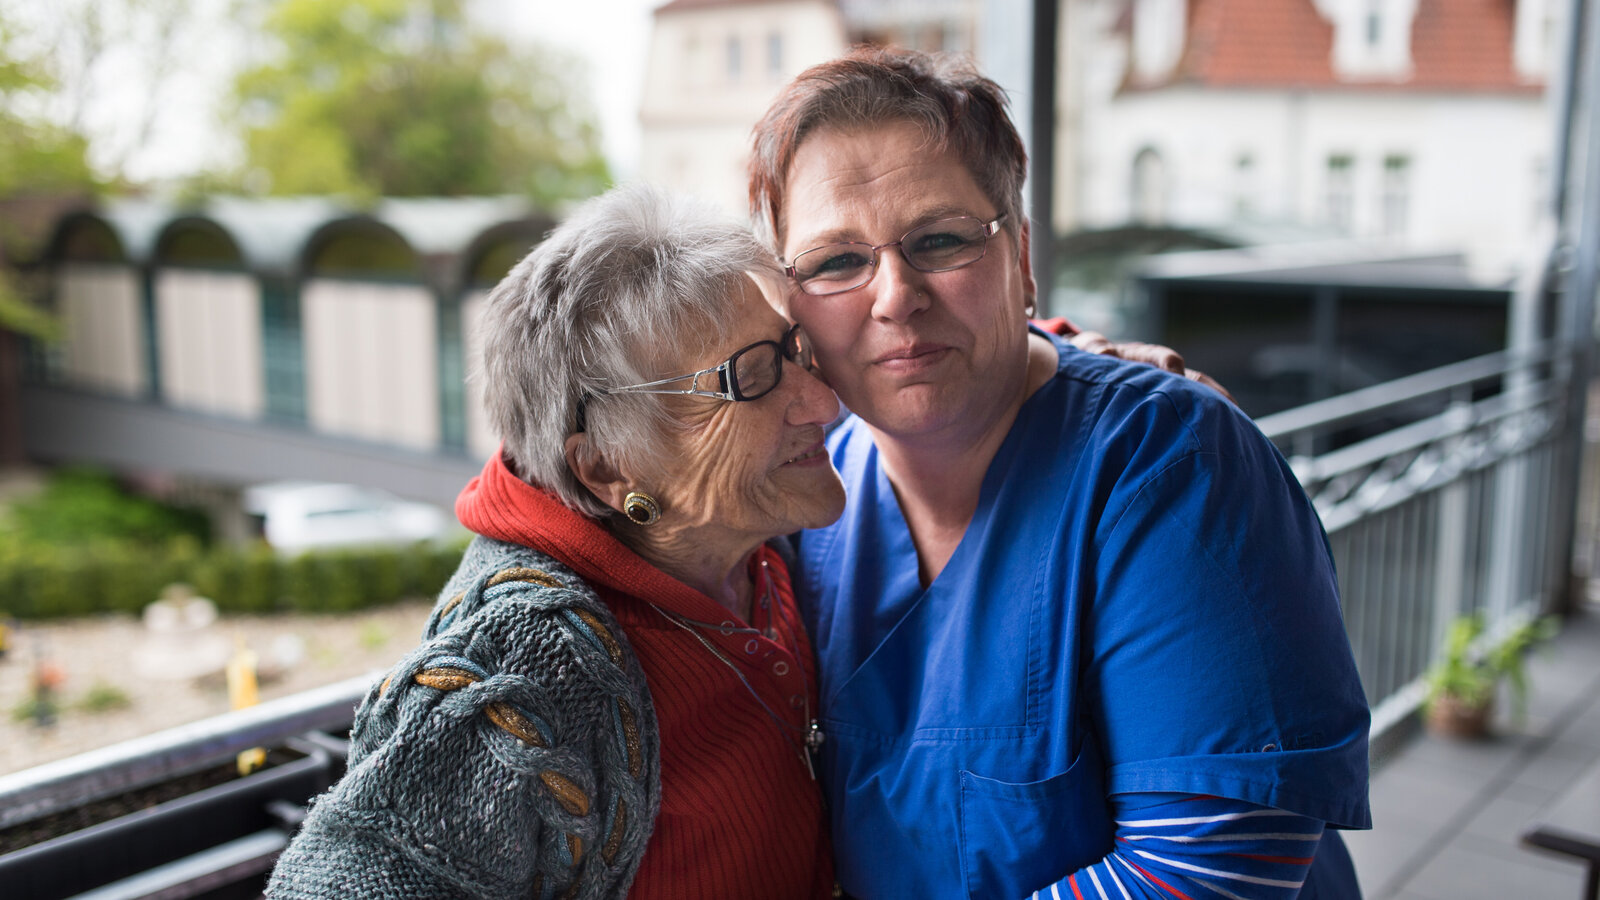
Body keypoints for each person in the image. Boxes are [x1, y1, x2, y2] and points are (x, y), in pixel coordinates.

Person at [749, 47, 1371, 898]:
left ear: (1023, 257)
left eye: (940, 240)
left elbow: (1210, 872)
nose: (893, 295)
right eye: (834, 262)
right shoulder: (805, 499)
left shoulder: (1174, 465)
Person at [267, 184, 846, 899]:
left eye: (796, 351)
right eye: (752, 377)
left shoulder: (760, 550)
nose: (825, 403)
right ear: (606, 466)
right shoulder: (528, 659)